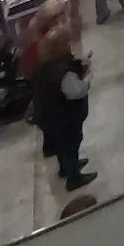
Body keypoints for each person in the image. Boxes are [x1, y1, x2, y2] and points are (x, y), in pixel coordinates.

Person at [32, 26, 96, 190]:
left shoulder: (44, 65)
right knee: (71, 145)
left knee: (61, 146)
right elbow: (76, 92)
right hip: (64, 118)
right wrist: (87, 79)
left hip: (47, 115)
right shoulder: (64, 71)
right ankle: (74, 178)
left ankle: (64, 169)